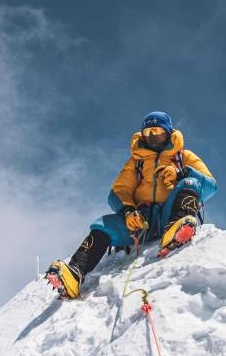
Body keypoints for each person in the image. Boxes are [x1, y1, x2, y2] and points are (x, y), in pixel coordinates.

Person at [46, 111, 217, 299]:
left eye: (158, 131)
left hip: (171, 213)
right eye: (148, 133)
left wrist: (182, 173)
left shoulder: (183, 156)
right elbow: (119, 191)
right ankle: (74, 273)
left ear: (168, 133)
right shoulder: (137, 162)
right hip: (141, 223)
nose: (153, 137)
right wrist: (128, 210)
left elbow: (210, 186)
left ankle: (178, 228)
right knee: (103, 225)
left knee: (191, 183)